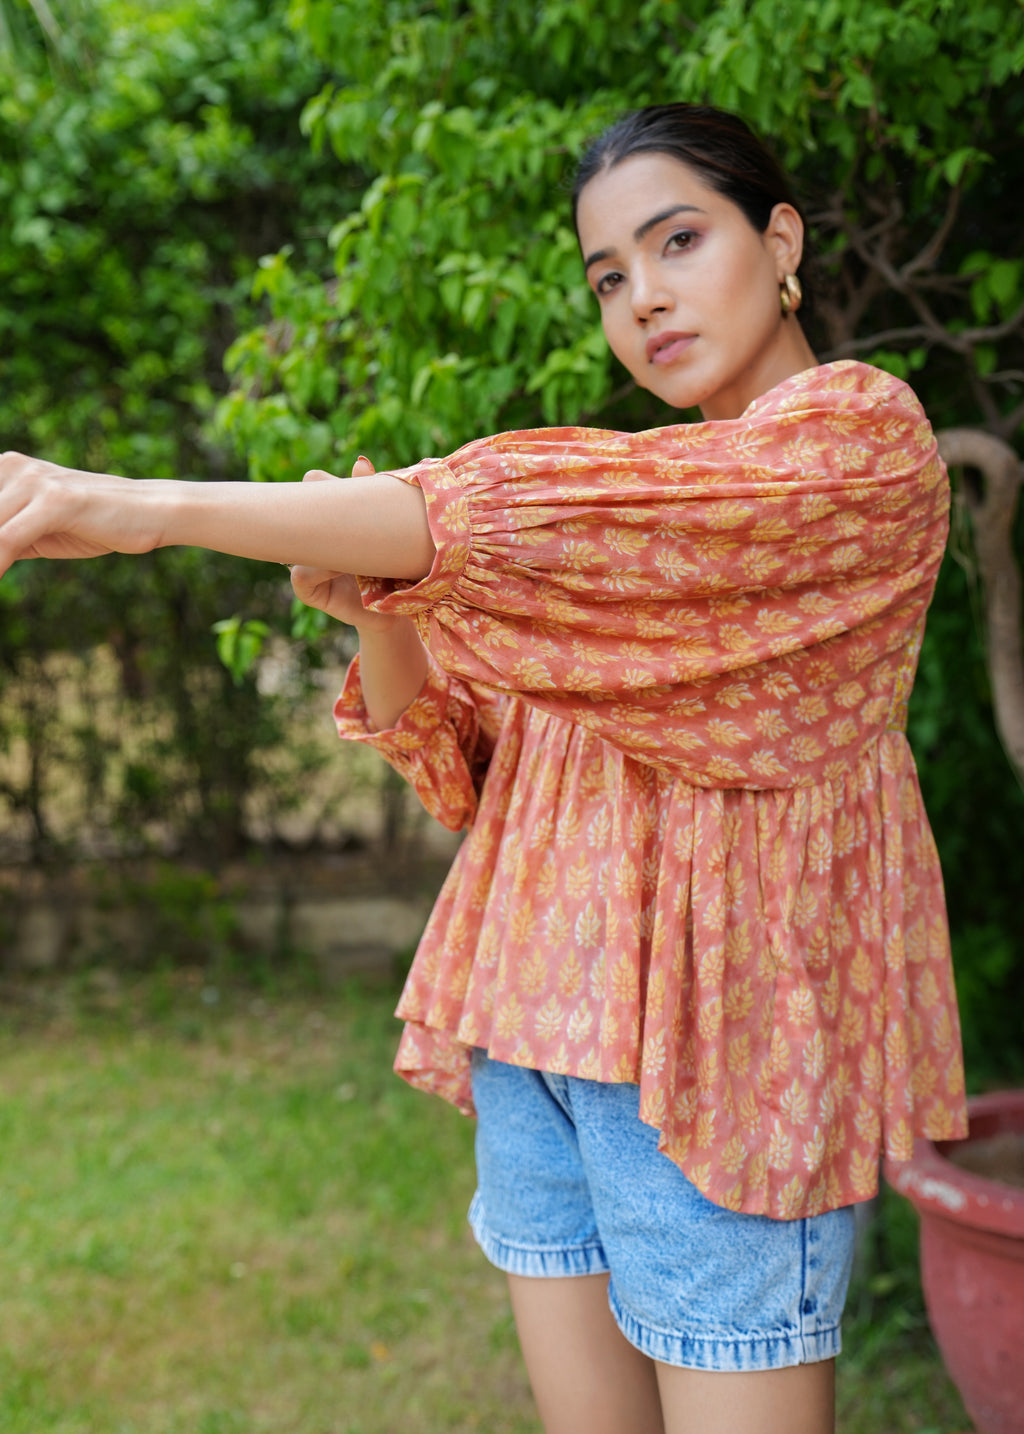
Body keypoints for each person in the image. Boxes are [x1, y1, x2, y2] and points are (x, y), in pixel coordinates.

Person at [0, 104, 967, 1434]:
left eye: (679, 242)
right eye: (609, 277)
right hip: (539, 1041)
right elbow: (462, 768)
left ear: (781, 239)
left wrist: (137, 509)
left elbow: (491, 512)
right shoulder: (628, 519)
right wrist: (379, 614)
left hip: (718, 1060)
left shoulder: (854, 449)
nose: (644, 298)